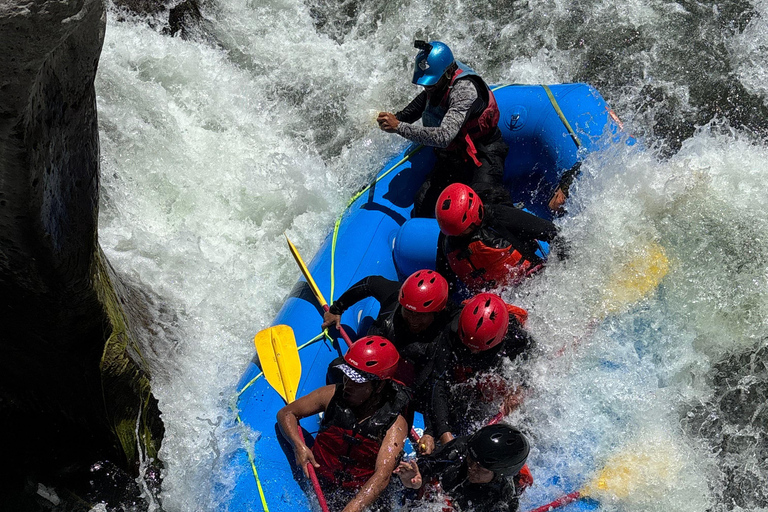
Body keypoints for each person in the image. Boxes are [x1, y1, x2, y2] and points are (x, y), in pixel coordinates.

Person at [322, 270, 455, 454]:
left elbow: (434, 384)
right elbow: (370, 281)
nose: (413, 320)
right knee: (335, 369)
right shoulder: (393, 294)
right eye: (408, 311)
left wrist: (430, 431)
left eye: (421, 315)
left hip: (410, 385)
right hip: (372, 371)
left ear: (438, 311)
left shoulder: (446, 329)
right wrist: (337, 309)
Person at [377, 40, 511, 218]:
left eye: (431, 83)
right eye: (425, 84)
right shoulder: (438, 82)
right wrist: (397, 117)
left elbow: (443, 137)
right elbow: (424, 101)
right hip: (453, 157)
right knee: (423, 203)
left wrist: (399, 127)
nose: (427, 87)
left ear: (448, 73)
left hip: (484, 151)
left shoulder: (464, 91)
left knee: (481, 206)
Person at [276, 336, 409, 512]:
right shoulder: (331, 394)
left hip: (359, 495)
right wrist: (299, 446)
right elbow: (286, 413)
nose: (347, 385)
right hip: (322, 481)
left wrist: (351, 508)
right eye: (347, 376)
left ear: (379, 387)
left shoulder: (395, 424)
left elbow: (382, 477)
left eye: (357, 382)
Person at [427, 293, 535, 443]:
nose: (472, 351)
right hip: (473, 333)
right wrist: (443, 432)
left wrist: (520, 390)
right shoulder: (452, 328)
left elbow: (531, 367)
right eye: (469, 346)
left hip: (499, 341)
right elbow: (437, 381)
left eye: (477, 349)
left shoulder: (517, 340)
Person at [435, 183, 561, 293]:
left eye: (462, 231)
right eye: (453, 233)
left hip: (531, 280)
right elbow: (445, 281)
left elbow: (552, 232)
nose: (457, 236)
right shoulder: (448, 235)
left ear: (475, 216)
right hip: (493, 300)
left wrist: (563, 267)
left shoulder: (499, 217)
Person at [394, 424, 534, 512]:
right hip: (448, 486)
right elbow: (429, 464)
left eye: (482, 469)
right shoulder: (461, 449)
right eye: (471, 460)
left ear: (499, 475)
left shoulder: (503, 495)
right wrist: (417, 480)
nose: (472, 468)